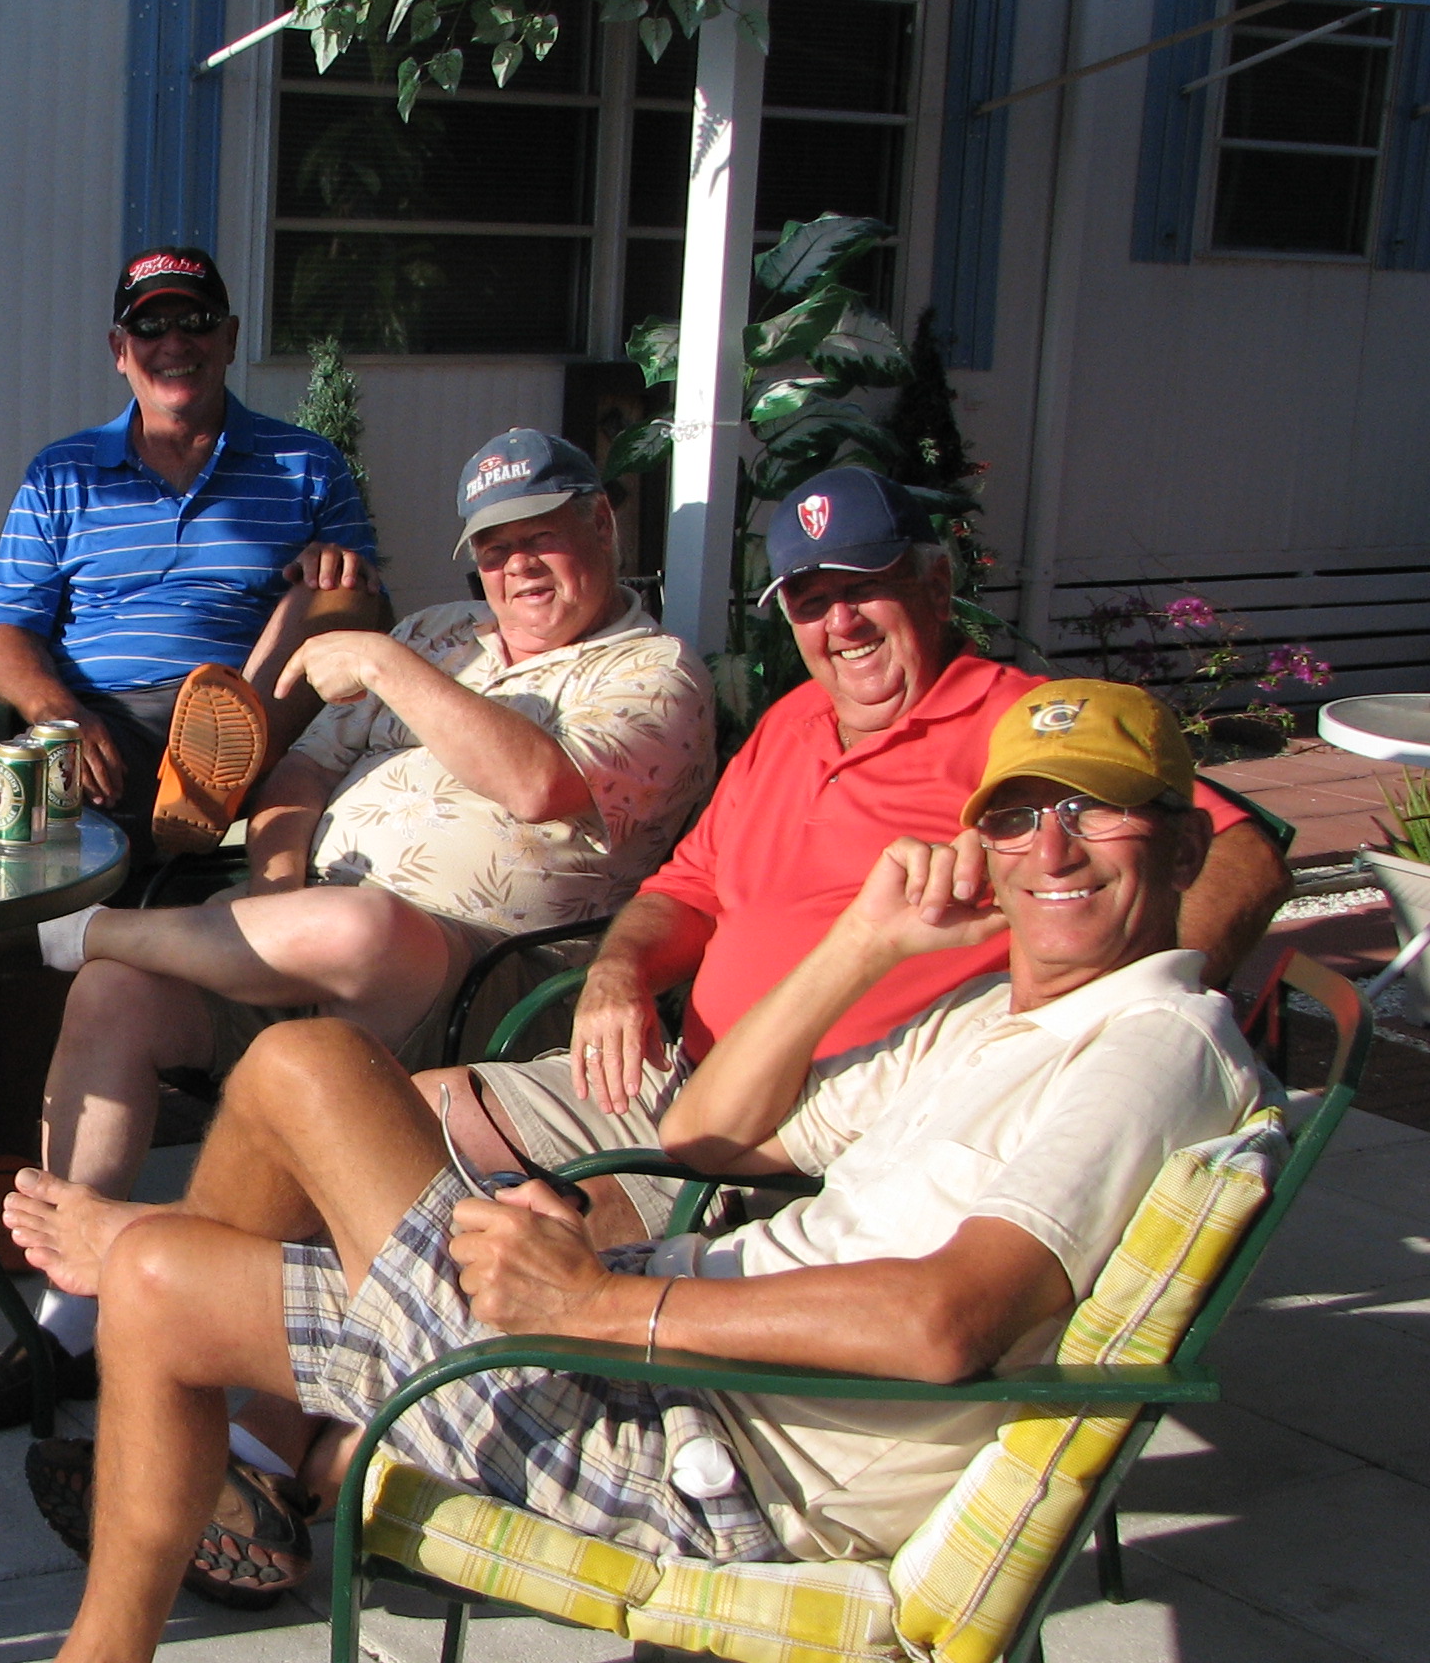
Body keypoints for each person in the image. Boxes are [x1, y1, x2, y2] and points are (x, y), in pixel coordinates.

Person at [0, 679, 1261, 1663]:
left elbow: (944, 1322)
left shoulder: (1150, 1046)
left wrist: (592, 1305)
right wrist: (863, 948)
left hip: (701, 1449)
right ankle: (113, 1661)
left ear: (1189, 841)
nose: (1048, 851)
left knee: (286, 1098)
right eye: (1016, 819)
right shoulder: (998, 1020)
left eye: (1098, 816)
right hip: (662, 1343)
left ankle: (181, 1419)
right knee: (206, 1219)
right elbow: (707, 1135)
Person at [0, 430, 713, 1432]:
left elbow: (536, 783)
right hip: (307, 940)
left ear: (603, 523)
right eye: (492, 547)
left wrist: (383, 662)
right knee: (115, 994)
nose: (515, 567)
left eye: (541, 537)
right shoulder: (447, 632)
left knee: (360, 926)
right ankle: (69, 1324)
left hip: (483, 985)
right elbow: (300, 771)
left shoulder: (653, 671)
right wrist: (274, 885)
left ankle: (71, 934)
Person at [418, 466, 1289, 1249]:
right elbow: (690, 887)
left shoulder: (1020, 727)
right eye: (810, 600)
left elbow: (1239, 857)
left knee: (497, 1242)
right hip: (676, 1081)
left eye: (865, 586)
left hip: (804, 1137)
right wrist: (620, 972)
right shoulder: (792, 720)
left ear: (936, 587)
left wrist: (1104, 1026)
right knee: (403, 1116)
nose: (841, 624)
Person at [0, 245, 386, 859]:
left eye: (195, 322)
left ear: (230, 338)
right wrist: (60, 715)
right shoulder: (62, 472)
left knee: (341, 588)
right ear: (120, 350)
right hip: (107, 717)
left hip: (255, 709)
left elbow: (374, 618)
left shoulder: (308, 464)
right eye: (149, 326)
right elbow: (5, 631)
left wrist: (336, 570)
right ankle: (192, 803)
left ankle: (215, 778)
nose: (174, 343)